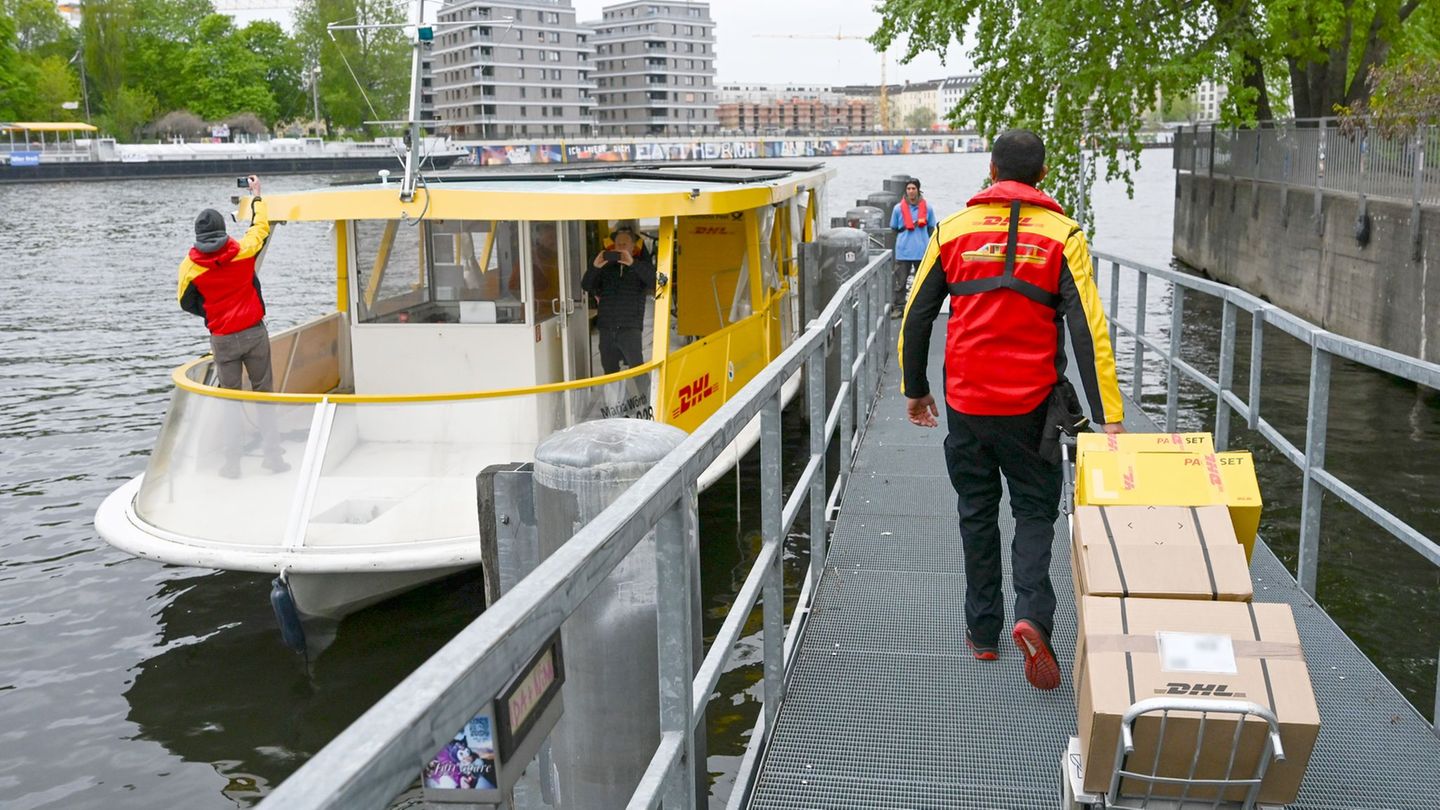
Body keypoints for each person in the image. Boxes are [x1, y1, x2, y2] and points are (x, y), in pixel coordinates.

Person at [897, 129, 1124, 691]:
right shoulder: (1064, 237)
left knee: (976, 510)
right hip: (1032, 410)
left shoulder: (951, 230)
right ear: (1043, 175)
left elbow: (916, 315)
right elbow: (1087, 328)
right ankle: (1034, 616)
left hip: (968, 404)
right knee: (1033, 511)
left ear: (992, 170)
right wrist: (1108, 416)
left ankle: (983, 634)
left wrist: (915, 388)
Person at [178, 174, 289, 477]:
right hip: (254, 333)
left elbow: (185, 302)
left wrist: (213, 313)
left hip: (223, 339)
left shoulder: (190, 267)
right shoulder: (242, 251)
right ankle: (273, 459)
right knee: (263, 394)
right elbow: (260, 228)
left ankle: (232, 465)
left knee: (230, 400)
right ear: (223, 231)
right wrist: (256, 196)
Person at [582, 226, 656, 374]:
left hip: (630, 328)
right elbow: (586, 285)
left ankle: (643, 397)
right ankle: (614, 397)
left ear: (633, 247)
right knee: (609, 370)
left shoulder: (640, 267)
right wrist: (595, 267)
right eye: (618, 244)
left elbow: (656, 282)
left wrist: (633, 263)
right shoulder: (606, 267)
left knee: (637, 370)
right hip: (606, 328)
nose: (621, 247)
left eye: (625, 244)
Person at [890, 177, 938, 307]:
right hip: (903, 252)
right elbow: (893, 228)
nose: (911, 191)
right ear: (905, 191)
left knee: (922, 281)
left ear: (918, 190)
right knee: (900, 282)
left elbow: (931, 228)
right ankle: (899, 306)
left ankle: (920, 305)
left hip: (921, 251)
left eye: (913, 188)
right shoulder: (898, 209)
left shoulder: (928, 208)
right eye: (908, 189)